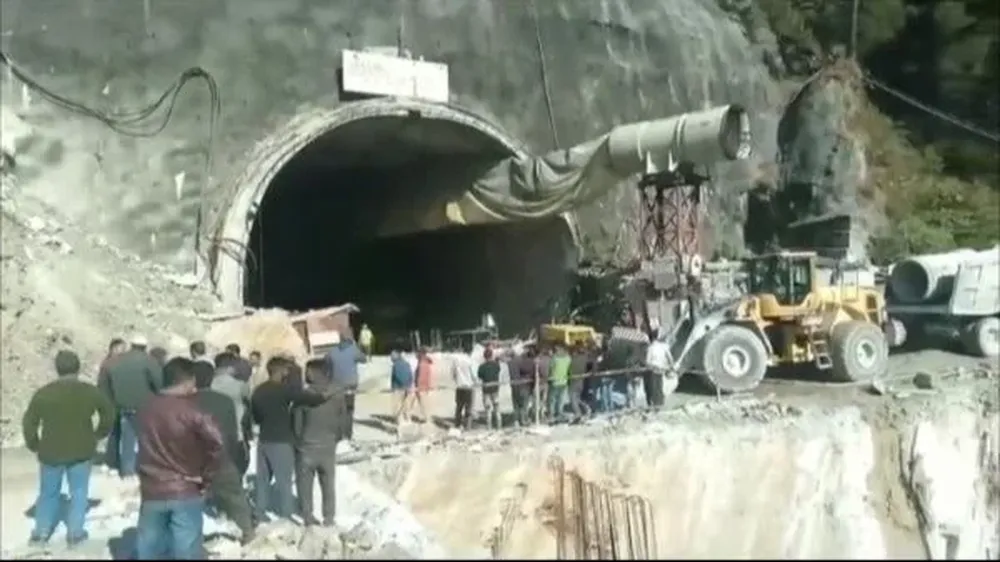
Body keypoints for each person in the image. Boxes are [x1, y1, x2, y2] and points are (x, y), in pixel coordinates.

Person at [135, 357, 225, 560]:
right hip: (186, 488)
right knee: (187, 549)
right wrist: (206, 476)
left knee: (149, 547)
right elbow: (217, 444)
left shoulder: (144, 408)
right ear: (188, 380)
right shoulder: (193, 410)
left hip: (151, 488)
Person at [23, 350, 115, 548]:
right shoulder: (90, 392)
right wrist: (98, 434)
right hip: (82, 449)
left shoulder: (44, 393)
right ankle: (75, 535)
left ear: (57, 369)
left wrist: (34, 444)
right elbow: (108, 413)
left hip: (50, 451)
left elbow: (29, 422)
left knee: (48, 493)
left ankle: (40, 534)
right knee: (79, 492)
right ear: (78, 367)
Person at [250, 357, 332, 523]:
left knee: (263, 479)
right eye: (286, 370)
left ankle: (259, 512)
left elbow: (256, 418)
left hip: (264, 440)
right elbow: (311, 399)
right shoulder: (284, 390)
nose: (288, 373)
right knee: (284, 481)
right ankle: (286, 515)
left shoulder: (258, 391)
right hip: (282, 441)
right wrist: (328, 394)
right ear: (280, 371)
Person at [192, 362, 255, 544]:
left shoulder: (185, 402)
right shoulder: (224, 400)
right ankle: (248, 532)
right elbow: (231, 432)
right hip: (221, 456)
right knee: (235, 495)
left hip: (194, 458)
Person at [104, 333, 164, 478]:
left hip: (123, 405)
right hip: (145, 406)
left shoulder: (117, 361)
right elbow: (158, 383)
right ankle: (147, 470)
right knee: (147, 440)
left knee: (127, 440)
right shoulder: (149, 361)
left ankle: (127, 471)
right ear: (144, 347)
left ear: (131, 345)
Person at [291, 359, 343, 527]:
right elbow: (342, 419)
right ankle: (329, 517)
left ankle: (307, 516)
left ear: (314, 373)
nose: (305, 375)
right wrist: (336, 437)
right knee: (328, 484)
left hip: (307, 447)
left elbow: (297, 424)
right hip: (328, 446)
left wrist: (297, 442)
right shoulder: (338, 395)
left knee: (305, 484)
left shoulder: (303, 397)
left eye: (308, 372)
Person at [323, 331, 367, 442]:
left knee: (337, 410)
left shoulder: (332, 351)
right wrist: (356, 346)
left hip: (335, 384)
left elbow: (326, 364)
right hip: (350, 385)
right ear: (350, 339)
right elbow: (364, 359)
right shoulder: (353, 349)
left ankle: (338, 435)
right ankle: (348, 435)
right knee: (349, 410)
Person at [211, 353, 253, 470]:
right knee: (238, 470)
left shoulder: (208, 384)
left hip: (212, 436)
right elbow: (249, 407)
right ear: (231, 368)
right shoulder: (240, 386)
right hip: (235, 436)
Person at [98, 338, 127, 469]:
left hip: (114, 402)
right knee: (114, 433)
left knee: (116, 433)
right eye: (121, 349)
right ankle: (111, 462)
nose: (123, 352)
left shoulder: (109, 364)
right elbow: (103, 386)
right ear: (113, 349)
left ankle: (112, 461)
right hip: (111, 402)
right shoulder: (109, 365)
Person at [451, 344, 477, 430]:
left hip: (459, 386)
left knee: (459, 407)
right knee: (468, 407)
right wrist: (475, 382)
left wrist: (457, 381)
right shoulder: (470, 360)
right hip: (468, 386)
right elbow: (473, 374)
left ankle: (457, 425)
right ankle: (467, 426)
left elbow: (453, 373)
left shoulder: (456, 360)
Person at [509, 347, 535, 427]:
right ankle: (523, 420)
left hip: (514, 385)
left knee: (516, 405)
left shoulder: (510, 362)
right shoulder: (522, 362)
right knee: (524, 405)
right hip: (523, 385)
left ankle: (516, 421)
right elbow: (525, 371)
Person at [477, 348, 502, 430]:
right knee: (497, 408)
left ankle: (489, 427)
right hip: (495, 389)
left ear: (484, 356)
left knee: (488, 410)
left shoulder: (482, 366)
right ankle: (499, 426)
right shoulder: (496, 365)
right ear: (491, 355)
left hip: (486, 390)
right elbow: (498, 370)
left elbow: (480, 376)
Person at [547, 344, 572, 424]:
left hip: (554, 381)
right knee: (561, 399)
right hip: (564, 381)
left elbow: (550, 368)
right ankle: (559, 413)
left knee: (552, 400)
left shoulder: (554, 358)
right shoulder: (568, 358)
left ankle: (551, 414)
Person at [567, 343, 593, 420]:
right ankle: (586, 407)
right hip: (581, 380)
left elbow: (569, 370)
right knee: (577, 398)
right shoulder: (584, 358)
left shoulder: (572, 360)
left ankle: (577, 413)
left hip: (574, 380)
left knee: (572, 398)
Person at [389, 348, 414, 425]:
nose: (391, 357)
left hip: (398, 387)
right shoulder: (406, 363)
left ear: (396, 356)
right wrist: (409, 385)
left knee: (398, 404)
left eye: (392, 356)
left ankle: (399, 420)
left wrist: (401, 385)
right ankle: (408, 418)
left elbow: (397, 376)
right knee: (406, 404)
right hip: (407, 387)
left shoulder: (396, 365)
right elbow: (411, 375)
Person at [411, 346, 433, 423]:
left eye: (417, 353)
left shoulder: (422, 363)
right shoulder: (424, 362)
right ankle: (426, 418)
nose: (415, 355)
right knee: (420, 403)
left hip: (421, 387)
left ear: (421, 354)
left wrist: (418, 387)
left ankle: (427, 419)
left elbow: (421, 377)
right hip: (424, 387)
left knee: (423, 404)